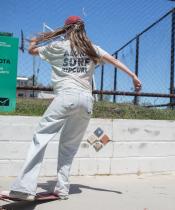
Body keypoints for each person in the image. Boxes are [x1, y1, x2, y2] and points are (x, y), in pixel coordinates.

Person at [2, 16, 141, 201]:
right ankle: (62, 189)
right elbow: (114, 61)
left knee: (41, 137)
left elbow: (32, 51)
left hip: (66, 97)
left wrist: (36, 40)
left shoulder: (59, 46)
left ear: (66, 30)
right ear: (82, 30)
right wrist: (133, 76)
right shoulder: (92, 48)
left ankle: (24, 188)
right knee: (68, 148)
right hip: (86, 101)